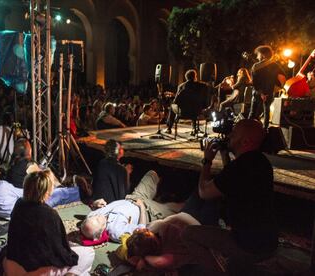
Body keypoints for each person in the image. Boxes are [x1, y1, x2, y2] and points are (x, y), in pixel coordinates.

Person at [181, 119, 278, 273]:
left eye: (234, 133)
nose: (229, 135)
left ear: (246, 141)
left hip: (248, 245)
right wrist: (225, 154)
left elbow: (204, 192)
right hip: (269, 241)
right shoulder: (262, 162)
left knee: (188, 234)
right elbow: (232, 182)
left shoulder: (238, 168)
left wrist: (207, 161)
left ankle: (218, 272)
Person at [4, 170, 95, 276]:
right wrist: (70, 254)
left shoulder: (19, 204)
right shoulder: (48, 215)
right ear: (47, 192)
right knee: (87, 253)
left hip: (11, 264)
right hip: (33, 270)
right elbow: (57, 251)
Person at [81, 170, 183, 242]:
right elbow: (141, 230)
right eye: (98, 221)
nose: (97, 216)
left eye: (94, 217)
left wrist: (95, 204)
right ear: (101, 231)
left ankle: (165, 192)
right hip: (149, 211)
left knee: (152, 174)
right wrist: (142, 208)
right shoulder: (116, 232)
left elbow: (92, 208)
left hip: (134, 197)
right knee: (179, 209)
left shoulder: (91, 218)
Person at [0, 160, 91, 218]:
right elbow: (24, 193)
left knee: (53, 192)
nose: (0, 171)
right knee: (57, 194)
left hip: (12, 213)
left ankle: (75, 189)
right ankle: (81, 192)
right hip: (24, 211)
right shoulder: (2, 186)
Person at [248, 45, 286, 129]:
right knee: (266, 112)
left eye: (258, 54)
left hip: (257, 93)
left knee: (252, 112)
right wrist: (275, 88)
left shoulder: (255, 66)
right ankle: (265, 129)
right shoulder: (275, 65)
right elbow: (283, 78)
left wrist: (261, 93)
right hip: (269, 92)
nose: (257, 57)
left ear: (263, 55)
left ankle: (248, 130)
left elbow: (254, 83)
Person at [165, 69, 209, 135]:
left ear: (186, 77)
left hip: (184, 112)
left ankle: (169, 128)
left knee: (172, 106)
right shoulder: (202, 86)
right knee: (193, 105)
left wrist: (173, 97)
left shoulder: (181, 86)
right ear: (195, 76)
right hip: (197, 112)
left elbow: (176, 101)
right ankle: (194, 128)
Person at [92, 139, 132, 204]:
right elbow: (124, 194)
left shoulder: (101, 163)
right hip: (112, 206)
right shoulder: (121, 170)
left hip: (98, 203)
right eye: (121, 148)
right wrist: (127, 173)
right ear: (119, 152)